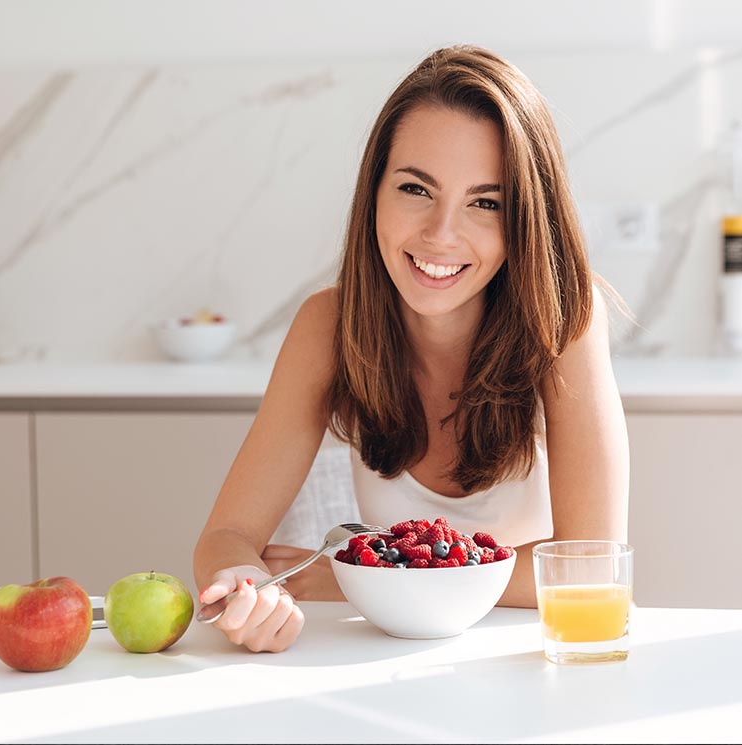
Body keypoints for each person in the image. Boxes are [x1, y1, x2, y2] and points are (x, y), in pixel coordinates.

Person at [193, 45, 630, 653]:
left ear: (525, 220)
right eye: (416, 189)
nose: (441, 234)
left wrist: (357, 577)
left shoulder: (564, 322)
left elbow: (590, 566)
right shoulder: (328, 325)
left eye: (485, 202)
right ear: (374, 191)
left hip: (523, 659)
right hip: (383, 660)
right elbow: (230, 536)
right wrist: (242, 586)